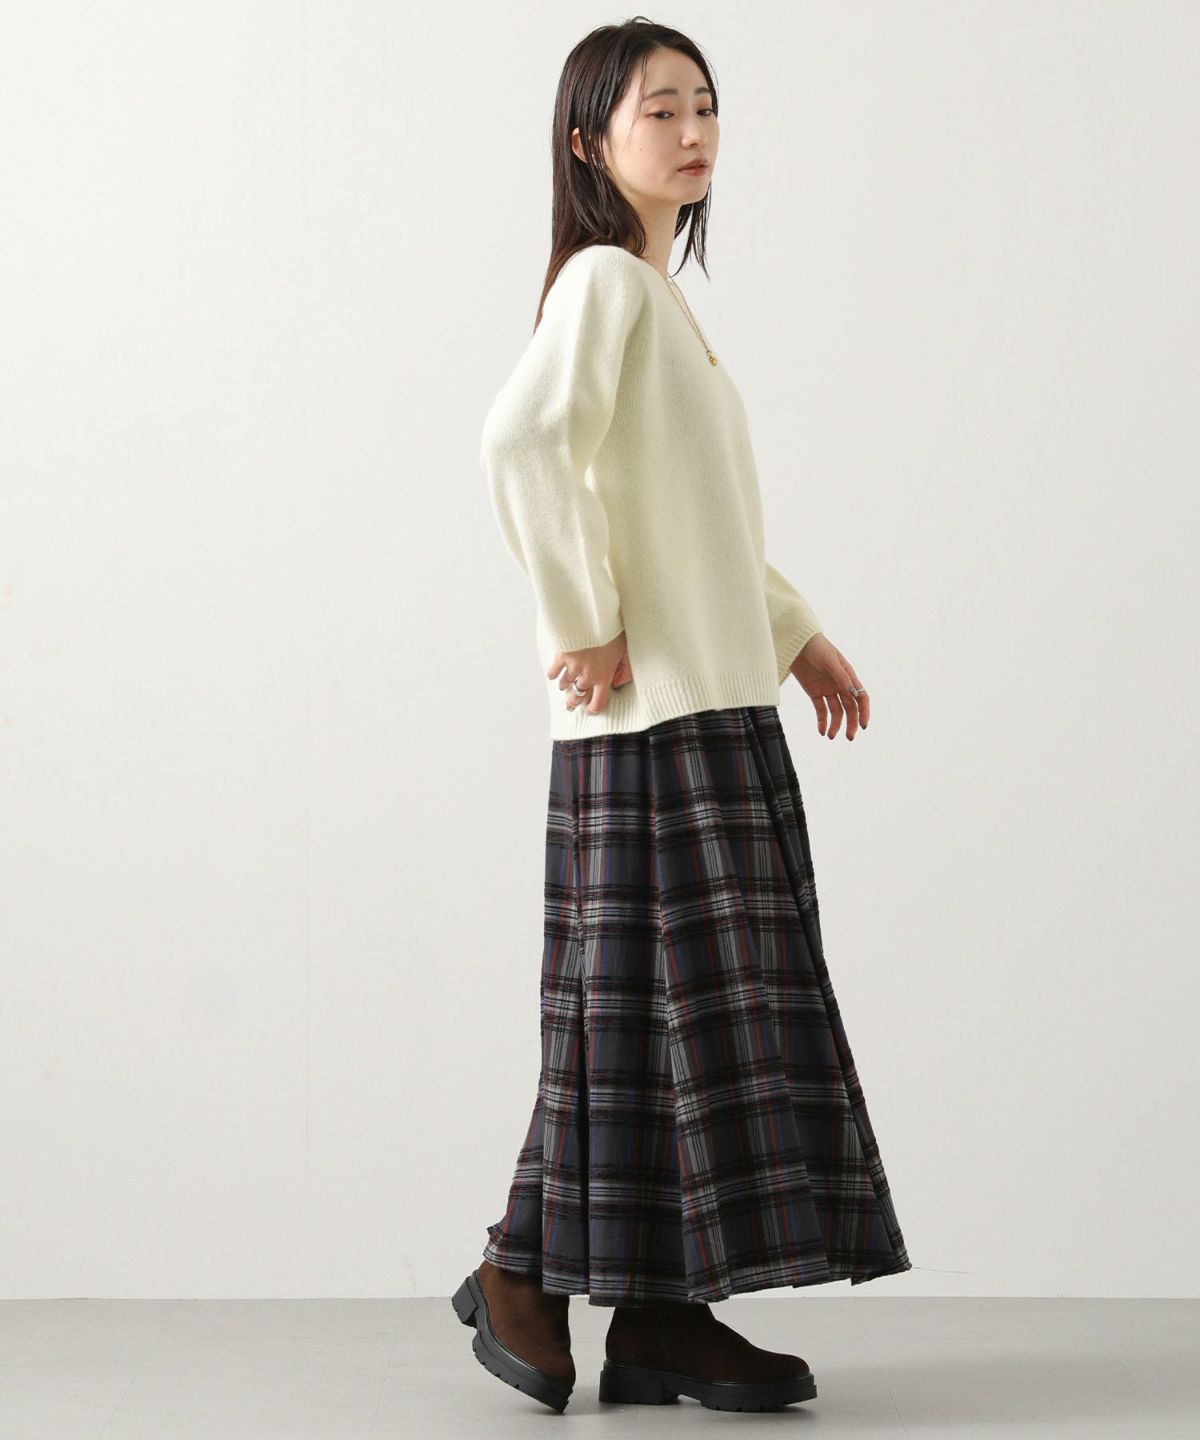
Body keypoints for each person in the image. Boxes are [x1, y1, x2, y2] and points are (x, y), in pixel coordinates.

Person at [451, 18, 912, 1415]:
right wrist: (580, 618)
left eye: (706, 105)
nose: (695, 130)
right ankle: (520, 1266)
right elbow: (520, 443)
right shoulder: (607, 282)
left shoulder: (658, 302)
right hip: (648, 718)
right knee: (634, 1018)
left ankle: (659, 1317)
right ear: (590, 143)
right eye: (661, 109)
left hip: (710, 702)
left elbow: (695, 526)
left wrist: (797, 633)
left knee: (687, 1029)